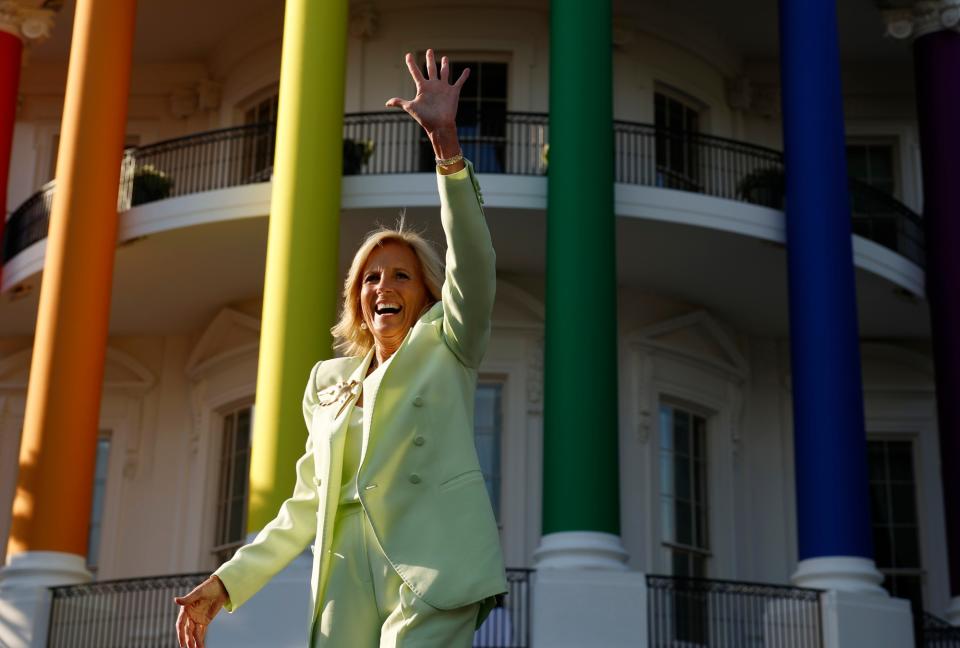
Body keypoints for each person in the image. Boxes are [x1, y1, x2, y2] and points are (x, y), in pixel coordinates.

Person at [174, 49, 507, 648]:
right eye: (371, 279)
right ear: (357, 299)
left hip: (432, 564)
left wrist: (447, 148)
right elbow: (305, 502)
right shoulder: (328, 381)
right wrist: (227, 583)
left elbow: (475, 265)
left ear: (427, 294)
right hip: (345, 574)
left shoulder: (447, 343)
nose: (384, 286)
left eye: (402, 276)